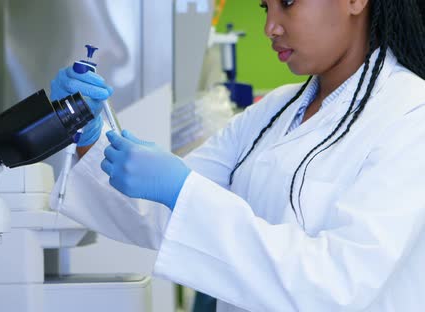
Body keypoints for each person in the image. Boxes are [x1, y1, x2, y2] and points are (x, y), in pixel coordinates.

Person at [49, 0, 425, 311]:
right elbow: (164, 213)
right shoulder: (273, 111)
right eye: (265, 7)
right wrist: (91, 134)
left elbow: (337, 284)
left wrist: (184, 192)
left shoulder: (409, 114)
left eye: (288, 4)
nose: (270, 27)